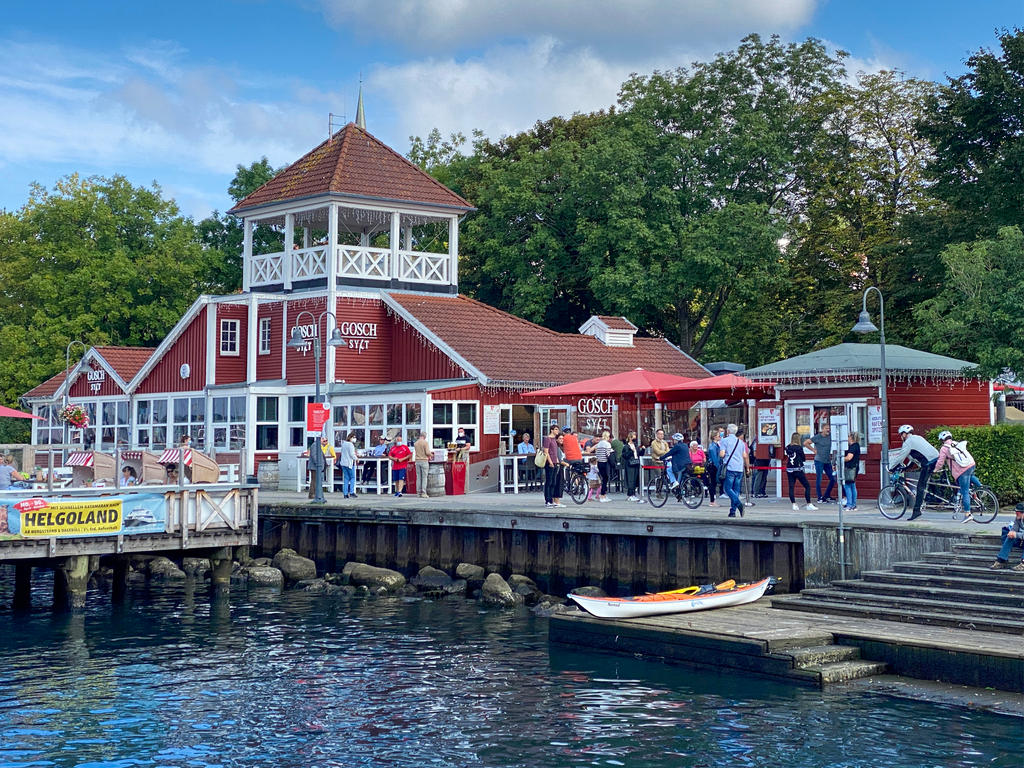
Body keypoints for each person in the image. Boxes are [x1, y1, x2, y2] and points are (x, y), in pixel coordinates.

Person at [887, 424, 940, 521]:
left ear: (904, 434)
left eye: (901, 435)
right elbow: (915, 457)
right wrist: (906, 467)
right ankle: (933, 498)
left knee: (920, 487)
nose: (900, 437)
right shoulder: (917, 438)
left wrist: (891, 468)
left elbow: (900, 457)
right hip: (936, 459)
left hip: (928, 463)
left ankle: (916, 512)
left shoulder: (908, 442)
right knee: (927, 481)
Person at [933, 430, 978, 522]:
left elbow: (940, 462)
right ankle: (981, 489)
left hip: (962, 470)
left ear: (942, 440)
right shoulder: (956, 443)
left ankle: (967, 514)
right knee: (970, 476)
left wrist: (935, 470)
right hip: (971, 465)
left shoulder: (944, 448)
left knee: (964, 492)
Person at [719, 424, 748, 518]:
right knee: (736, 490)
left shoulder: (724, 440)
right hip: (739, 468)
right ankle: (732, 511)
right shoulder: (741, 442)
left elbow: (722, 454)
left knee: (727, 488)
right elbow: (744, 455)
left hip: (730, 467)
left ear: (728, 431)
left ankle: (739, 504)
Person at [784, 432, 816, 511]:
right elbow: (803, 458)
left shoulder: (787, 447)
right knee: (807, 486)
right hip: (798, 469)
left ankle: (794, 504)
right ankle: (808, 503)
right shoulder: (798, 448)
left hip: (789, 469)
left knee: (791, 486)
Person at [806, 424, 836, 504]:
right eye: (826, 428)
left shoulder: (830, 437)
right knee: (819, 479)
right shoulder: (817, 437)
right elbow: (806, 443)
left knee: (833, 479)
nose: (828, 430)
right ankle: (819, 498)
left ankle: (826, 495)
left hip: (827, 461)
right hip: (819, 460)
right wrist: (813, 450)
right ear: (822, 429)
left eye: (829, 428)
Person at [990, 503, 1024, 571]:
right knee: (1009, 536)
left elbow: (1017, 534)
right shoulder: (1018, 518)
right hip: (1021, 540)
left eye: (1018, 512)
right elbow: (1014, 528)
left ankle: (1023, 564)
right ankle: (1001, 560)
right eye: (1016, 512)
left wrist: (1016, 534)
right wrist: (1011, 533)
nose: (1016, 514)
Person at [587, 429, 614, 502]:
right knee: (605, 479)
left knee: (603, 478)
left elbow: (597, 453)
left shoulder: (598, 444)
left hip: (599, 462)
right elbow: (608, 454)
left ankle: (603, 495)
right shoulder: (607, 444)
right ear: (607, 437)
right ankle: (602, 495)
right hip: (605, 462)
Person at [542, 425, 564, 508]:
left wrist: (557, 461)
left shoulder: (554, 439)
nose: (557, 431)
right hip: (550, 462)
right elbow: (546, 451)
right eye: (555, 429)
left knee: (553, 482)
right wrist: (550, 462)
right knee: (549, 481)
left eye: (557, 429)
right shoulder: (548, 439)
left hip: (555, 462)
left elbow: (555, 452)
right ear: (551, 430)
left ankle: (551, 499)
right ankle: (548, 500)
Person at [621, 431, 643, 503]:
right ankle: (630, 494)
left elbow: (639, 454)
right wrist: (631, 451)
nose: (635, 437)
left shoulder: (636, 445)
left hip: (636, 463)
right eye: (634, 436)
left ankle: (634, 493)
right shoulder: (626, 446)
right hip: (630, 464)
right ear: (630, 437)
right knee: (630, 479)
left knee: (635, 479)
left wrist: (643, 449)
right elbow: (625, 455)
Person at [842, 431, 862, 512]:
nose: (847, 438)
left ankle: (849, 505)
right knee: (852, 485)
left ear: (851, 437)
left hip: (850, 468)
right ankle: (853, 504)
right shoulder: (856, 445)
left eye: (848, 436)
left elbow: (849, 457)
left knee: (847, 485)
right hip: (854, 467)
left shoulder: (853, 446)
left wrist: (840, 458)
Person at [337, 433, 358, 498]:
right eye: (353, 437)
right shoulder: (350, 445)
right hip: (349, 463)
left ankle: (345, 493)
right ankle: (351, 492)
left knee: (346, 478)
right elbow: (352, 454)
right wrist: (356, 458)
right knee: (352, 478)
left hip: (343, 463)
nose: (354, 439)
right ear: (350, 437)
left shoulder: (344, 444)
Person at [705, 431, 722, 507]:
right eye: (718, 435)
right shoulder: (713, 447)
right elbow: (715, 459)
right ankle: (712, 500)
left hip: (714, 466)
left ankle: (713, 500)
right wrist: (718, 467)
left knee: (714, 483)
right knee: (712, 483)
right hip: (713, 467)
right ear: (715, 437)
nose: (720, 437)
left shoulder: (715, 445)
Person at [413, 431, 431, 499]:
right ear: (424, 436)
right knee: (424, 477)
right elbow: (427, 452)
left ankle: (418, 492)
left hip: (417, 461)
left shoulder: (416, 443)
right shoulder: (425, 442)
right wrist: (431, 455)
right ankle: (423, 492)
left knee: (418, 477)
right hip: (424, 460)